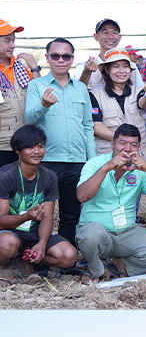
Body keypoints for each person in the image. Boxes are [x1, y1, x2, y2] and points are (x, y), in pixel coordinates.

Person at [24, 38, 94, 248]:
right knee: (40, 213)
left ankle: (67, 260)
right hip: (48, 161)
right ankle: (38, 258)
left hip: (77, 161)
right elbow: (29, 120)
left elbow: (88, 125)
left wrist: (91, 161)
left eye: (66, 56)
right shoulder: (36, 85)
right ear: (47, 58)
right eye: (55, 56)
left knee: (71, 214)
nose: (61, 60)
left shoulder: (80, 88)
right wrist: (44, 105)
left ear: (72, 59)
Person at [76, 123, 146, 282]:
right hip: (97, 230)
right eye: (122, 143)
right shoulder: (95, 164)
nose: (127, 149)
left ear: (138, 147)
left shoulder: (140, 168)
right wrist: (106, 168)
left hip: (126, 230)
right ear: (113, 144)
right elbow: (82, 196)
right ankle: (96, 270)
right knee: (89, 236)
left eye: (133, 145)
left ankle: (120, 267)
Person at [0, 125, 79, 283]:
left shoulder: (49, 176)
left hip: (35, 233)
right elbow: (1, 220)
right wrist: (27, 216)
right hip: (10, 233)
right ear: (17, 150)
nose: (36, 151)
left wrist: (42, 244)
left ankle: (27, 259)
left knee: (69, 256)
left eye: (40, 146)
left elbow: (48, 217)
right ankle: (5, 266)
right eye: (30, 147)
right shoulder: (5, 176)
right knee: (6, 245)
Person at [88, 48, 146, 164]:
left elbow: (142, 103)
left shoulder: (138, 90)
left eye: (125, 66)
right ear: (107, 69)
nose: (122, 71)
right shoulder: (95, 95)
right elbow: (96, 127)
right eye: (116, 66)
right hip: (109, 160)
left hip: (141, 158)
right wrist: (126, 140)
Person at [0, 19, 41, 167]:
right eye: (7, 41)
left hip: (24, 144)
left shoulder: (20, 67)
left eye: (13, 40)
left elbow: (38, 94)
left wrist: (34, 67)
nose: (13, 45)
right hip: (2, 146)